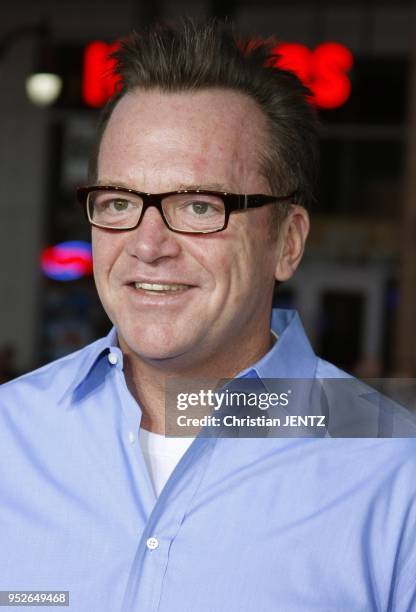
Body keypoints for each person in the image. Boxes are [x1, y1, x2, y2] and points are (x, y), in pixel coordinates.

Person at [1, 18, 415, 612]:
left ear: (287, 242)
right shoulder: (10, 437)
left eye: (199, 206)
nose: (148, 245)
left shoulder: (395, 473)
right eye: (119, 201)